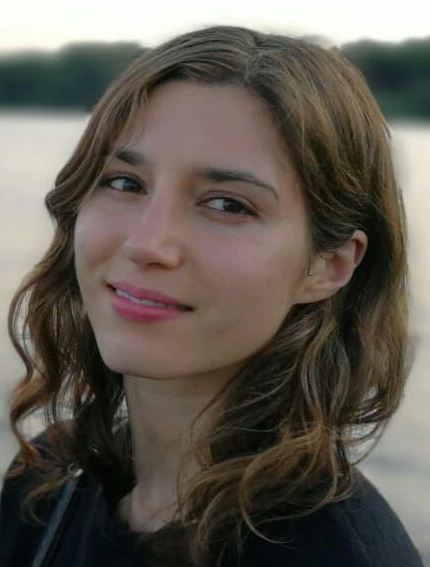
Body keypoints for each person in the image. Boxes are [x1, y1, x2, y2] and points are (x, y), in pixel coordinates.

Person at [0, 24, 424, 567]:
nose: (147, 243)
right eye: (125, 182)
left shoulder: (336, 555)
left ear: (329, 265)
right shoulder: (49, 482)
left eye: (226, 204)